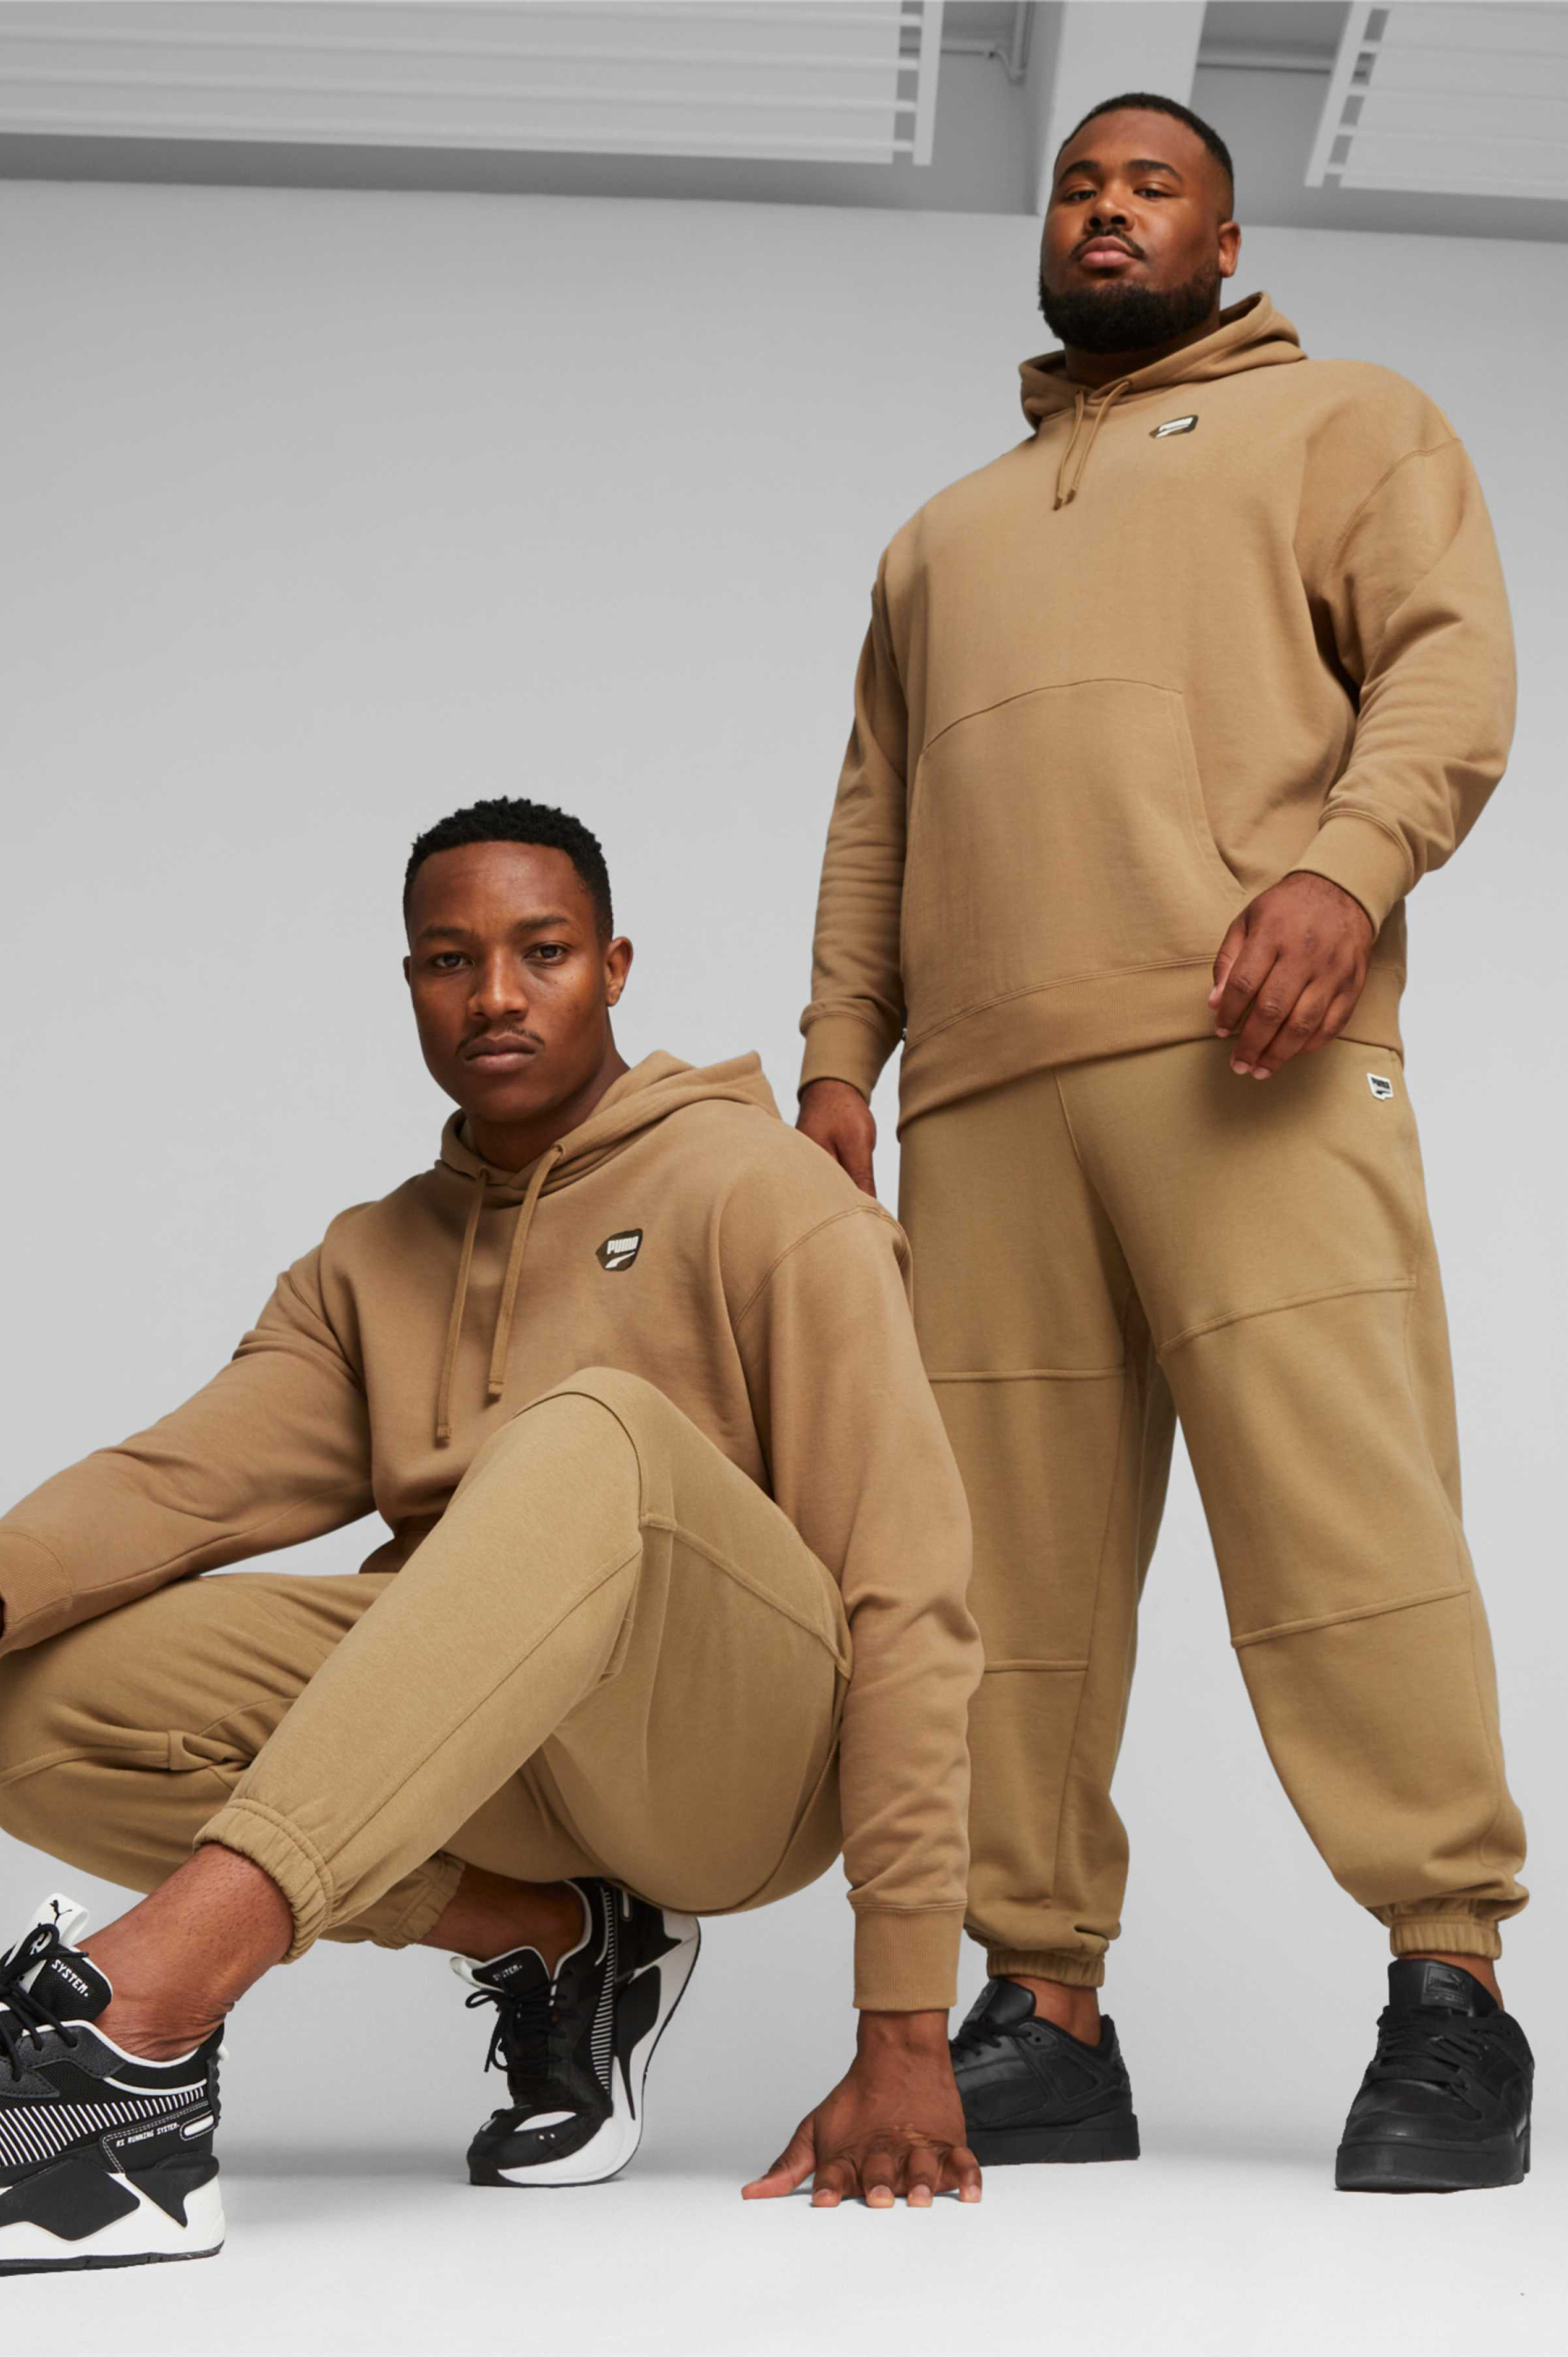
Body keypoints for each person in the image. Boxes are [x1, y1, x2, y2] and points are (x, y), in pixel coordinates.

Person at [0, 797, 986, 2271]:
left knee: (590, 1428)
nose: (493, 995)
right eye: (447, 960)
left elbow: (909, 1594)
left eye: (541, 952)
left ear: (614, 968)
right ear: (411, 980)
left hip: (735, 1761)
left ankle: (135, 2032)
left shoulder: (762, 1191)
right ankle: (557, 1939)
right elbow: (184, 1477)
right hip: (500, 1747)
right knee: (41, 1706)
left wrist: (904, 2024)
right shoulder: (373, 1258)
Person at [795, 90, 1531, 2195]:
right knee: (991, 1580)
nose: (1103, 209)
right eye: (1075, 185)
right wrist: (839, 1058)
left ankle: (1449, 1984)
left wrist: (1343, 874)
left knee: (1341, 1522)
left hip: (1246, 1045)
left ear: (1221, 242)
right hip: (979, 1102)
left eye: (1151, 186)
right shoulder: (935, 536)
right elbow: (875, 813)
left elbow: (1447, 675)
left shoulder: (1346, 422)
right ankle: (1041, 2015)